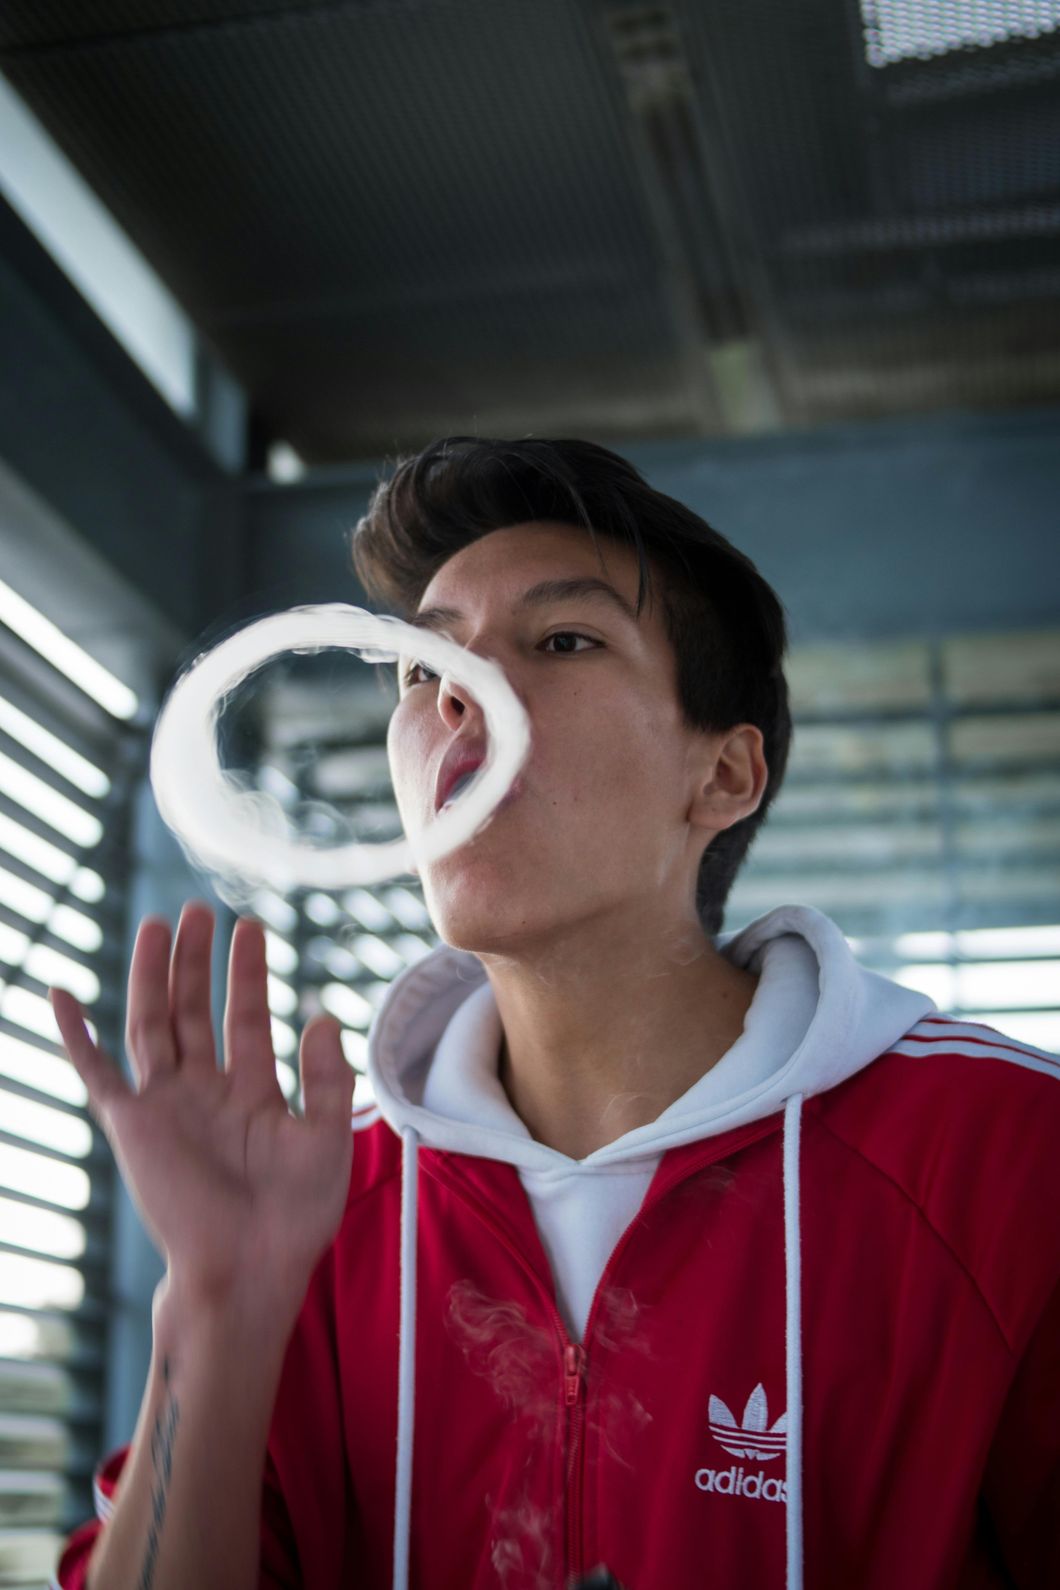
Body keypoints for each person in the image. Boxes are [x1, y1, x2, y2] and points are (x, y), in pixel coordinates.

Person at [51, 437, 1059, 1590]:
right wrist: (218, 1308)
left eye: (562, 641)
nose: (458, 698)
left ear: (723, 776)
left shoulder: (1007, 1160)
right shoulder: (316, 1214)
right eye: (423, 668)